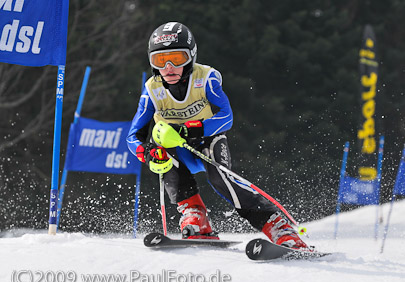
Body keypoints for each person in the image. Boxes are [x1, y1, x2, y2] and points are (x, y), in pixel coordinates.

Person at [127, 21, 309, 249]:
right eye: (161, 61)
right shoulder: (152, 88)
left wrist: (193, 129)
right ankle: (195, 214)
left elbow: (226, 117)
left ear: (191, 57)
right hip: (176, 149)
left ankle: (277, 226)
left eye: (177, 58)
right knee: (159, 145)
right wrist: (147, 153)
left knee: (221, 179)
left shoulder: (206, 77)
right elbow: (133, 137)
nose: (169, 67)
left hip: (207, 141)